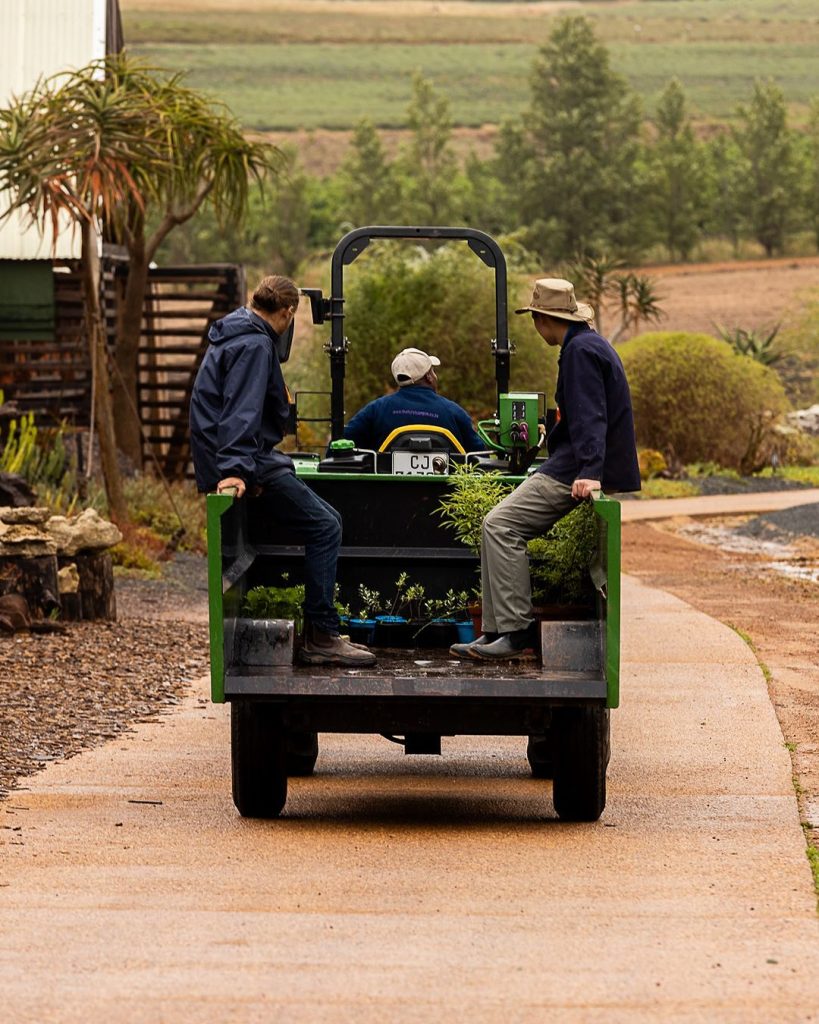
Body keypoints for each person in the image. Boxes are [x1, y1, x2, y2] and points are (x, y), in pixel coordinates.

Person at [189, 274, 375, 667]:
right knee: (326, 525)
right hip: (246, 458)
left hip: (241, 457)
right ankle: (322, 634)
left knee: (321, 516)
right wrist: (238, 470)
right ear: (288, 313)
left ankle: (318, 630)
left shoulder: (234, 330)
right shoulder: (256, 344)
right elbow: (241, 410)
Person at [451, 278, 640, 661]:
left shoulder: (579, 353)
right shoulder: (588, 344)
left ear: (541, 319)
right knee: (496, 524)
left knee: (501, 525)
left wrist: (589, 471)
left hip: (575, 467)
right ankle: (495, 631)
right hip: (572, 461)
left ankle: (514, 632)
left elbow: (592, 416)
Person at [343, 347, 485, 453]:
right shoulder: (454, 412)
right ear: (429, 377)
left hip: (386, 491)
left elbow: (342, 443)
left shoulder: (375, 409)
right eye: (433, 371)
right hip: (445, 492)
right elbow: (479, 456)